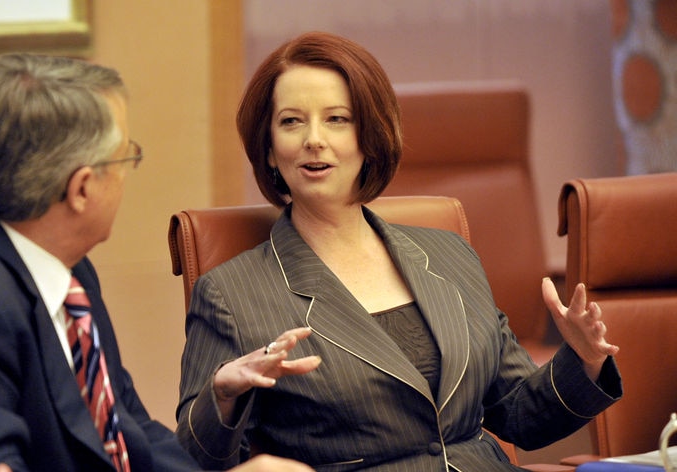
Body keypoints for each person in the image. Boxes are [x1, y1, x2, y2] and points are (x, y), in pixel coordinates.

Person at [176, 31, 623, 471]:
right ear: (270, 150)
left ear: (370, 138)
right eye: (291, 121)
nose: (314, 139)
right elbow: (194, 459)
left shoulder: (449, 255)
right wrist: (222, 395)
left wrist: (583, 359)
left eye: (337, 119)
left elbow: (520, 415)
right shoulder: (230, 294)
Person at [0, 53, 313, 472]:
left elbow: (127, 430)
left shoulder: (65, 268)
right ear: (81, 189)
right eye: (124, 156)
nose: (127, 171)